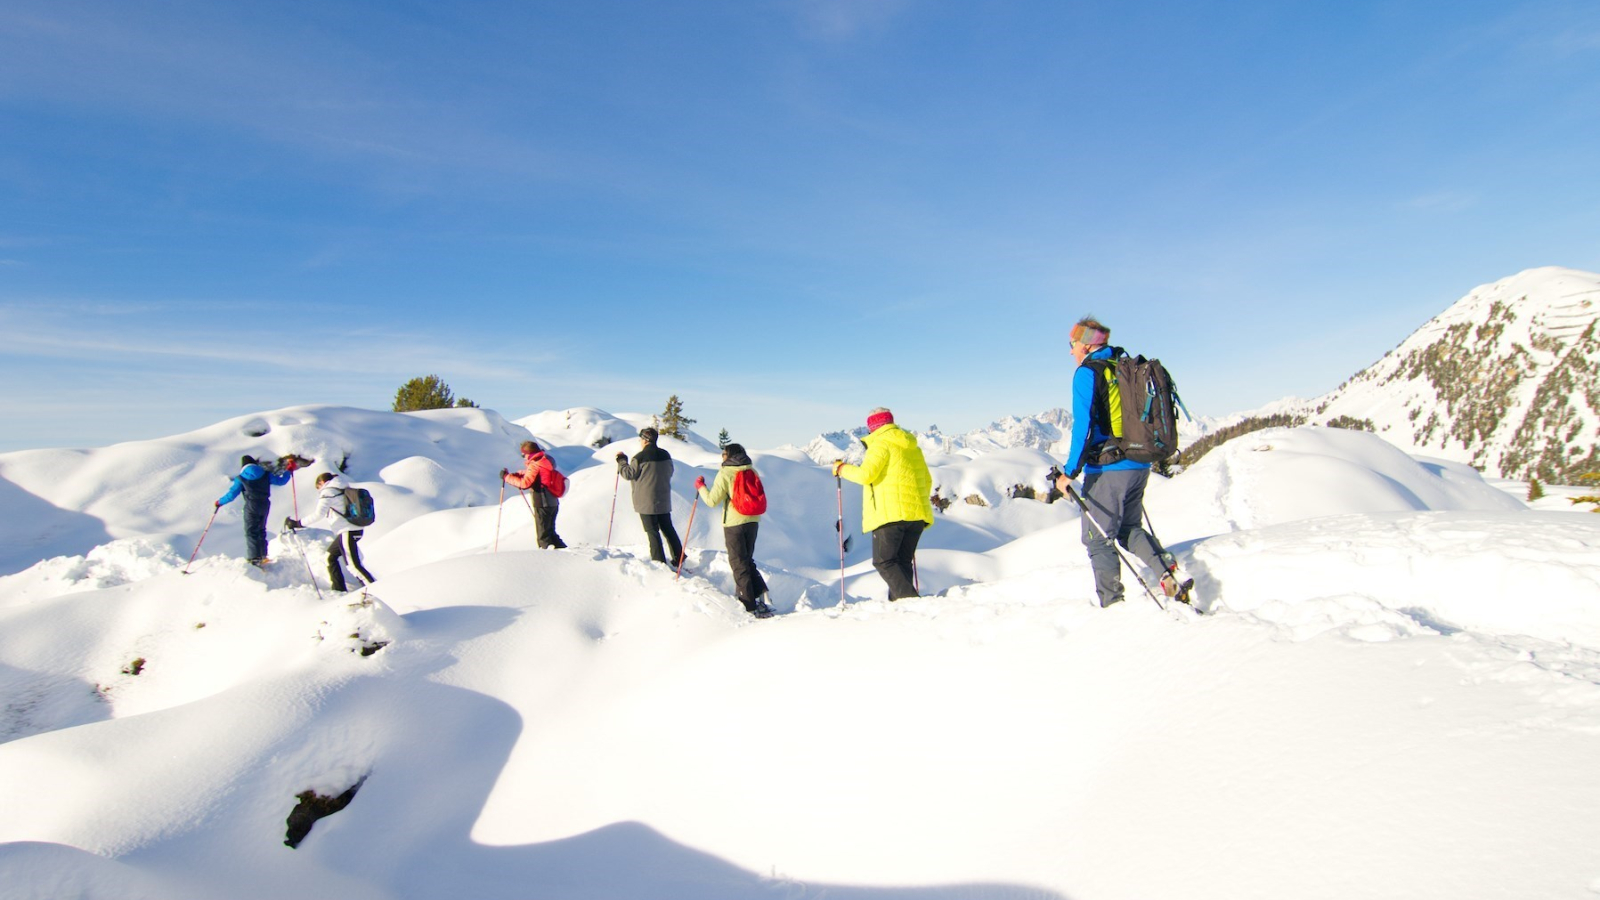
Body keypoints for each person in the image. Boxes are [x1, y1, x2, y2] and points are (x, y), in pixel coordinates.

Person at [1055, 316, 1187, 608]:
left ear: (1086, 345)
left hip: (1108, 468)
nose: (1070, 351)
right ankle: (1165, 572)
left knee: (1097, 539)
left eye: (1072, 344)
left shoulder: (1088, 372)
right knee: (1128, 529)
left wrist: (1068, 472)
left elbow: (1083, 426)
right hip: (1139, 462)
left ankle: (1112, 606)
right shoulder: (1122, 364)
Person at [833, 408, 934, 600]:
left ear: (873, 427)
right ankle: (899, 604)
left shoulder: (880, 444)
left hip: (890, 514)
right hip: (916, 515)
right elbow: (927, 480)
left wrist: (842, 469)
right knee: (902, 561)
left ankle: (910, 601)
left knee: (884, 561)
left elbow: (866, 475)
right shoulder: (912, 447)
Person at [695, 443, 775, 618]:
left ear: (729, 455)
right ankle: (762, 594)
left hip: (734, 523)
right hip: (753, 521)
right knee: (746, 560)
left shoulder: (726, 473)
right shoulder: (751, 470)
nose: (721, 457)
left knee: (738, 563)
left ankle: (748, 605)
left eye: (723, 453)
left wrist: (701, 487)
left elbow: (712, 501)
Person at [289, 472, 377, 593]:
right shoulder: (342, 488)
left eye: (318, 487)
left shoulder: (328, 492)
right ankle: (338, 590)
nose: (318, 491)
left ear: (321, 483)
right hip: (352, 530)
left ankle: (376, 589)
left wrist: (298, 523)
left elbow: (318, 514)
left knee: (353, 566)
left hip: (347, 531)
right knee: (329, 557)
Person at [617, 426, 684, 566]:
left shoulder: (639, 457)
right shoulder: (666, 455)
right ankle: (679, 556)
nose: (640, 441)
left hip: (645, 501)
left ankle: (659, 561)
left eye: (641, 438)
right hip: (663, 498)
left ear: (645, 440)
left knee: (652, 531)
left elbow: (628, 474)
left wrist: (622, 460)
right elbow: (670, 471)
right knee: (668, 528)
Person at [216, 454, 294, 566]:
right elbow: (281, 481)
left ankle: (254, 558)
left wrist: (219, 502)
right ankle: (263, 555)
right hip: (265, 504)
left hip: (251, 505)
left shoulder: (241, 478)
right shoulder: (266, 474)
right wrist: (288, 470)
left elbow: (232, 494)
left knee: (251, 531)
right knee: (261, 529)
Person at [501, 440, 567, 549]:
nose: (524, 457)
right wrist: (520, 473)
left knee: (543, 536)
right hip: (553, 501)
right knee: (551, 532)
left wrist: (507, 477)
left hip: (542, 502)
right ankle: (564, 552)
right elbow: (539, 475)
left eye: (523, 454)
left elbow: (524, 483)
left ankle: (548, 559)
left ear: (528, 453)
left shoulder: (535, 465)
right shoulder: (546, 460)